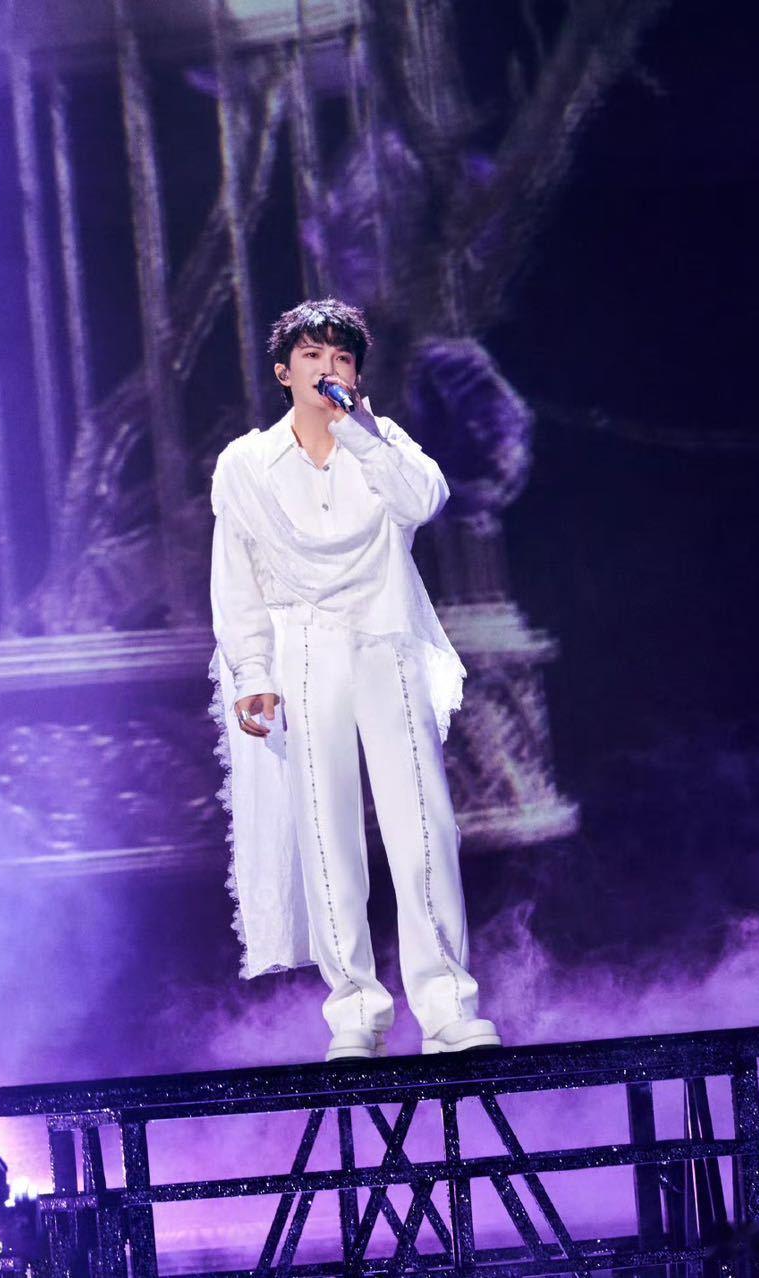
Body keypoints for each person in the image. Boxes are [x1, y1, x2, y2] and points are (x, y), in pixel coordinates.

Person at [208, 297, 501, 1061]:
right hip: (301, 646)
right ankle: (356, 1012)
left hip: (384, 637)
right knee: (326, 828)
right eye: (312, 356)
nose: (327, 368)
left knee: (423, 825)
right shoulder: (246, 465)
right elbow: (235, 577)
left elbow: (425, 501)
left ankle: (447, 1006)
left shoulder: (384, 442)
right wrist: (252, 671)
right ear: (284, 372)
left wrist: (363, 434)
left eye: (341, 357)